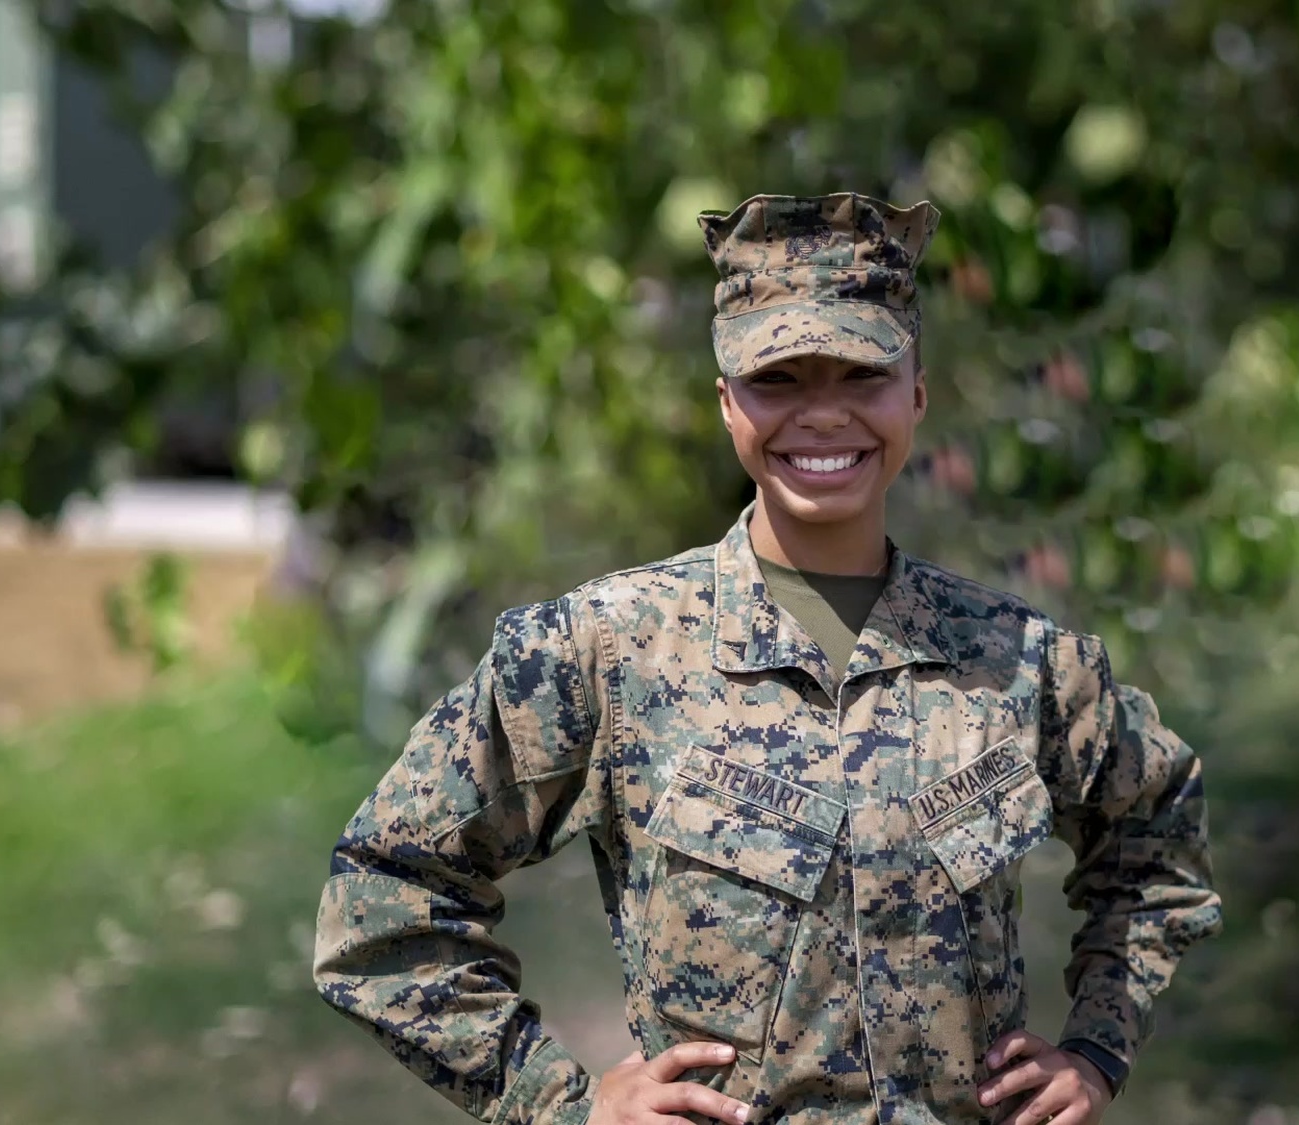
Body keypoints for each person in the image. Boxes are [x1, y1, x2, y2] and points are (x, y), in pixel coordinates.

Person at [313, 192, 1221, 1125]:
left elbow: (1157, 842)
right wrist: (560, 1101)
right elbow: (382, 893)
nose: (823, 415)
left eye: (862, 374)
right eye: (778, 379)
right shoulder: (606, 649)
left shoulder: (1019, 660)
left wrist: (1096, 1050)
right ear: (726, 402)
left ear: (917, 393)